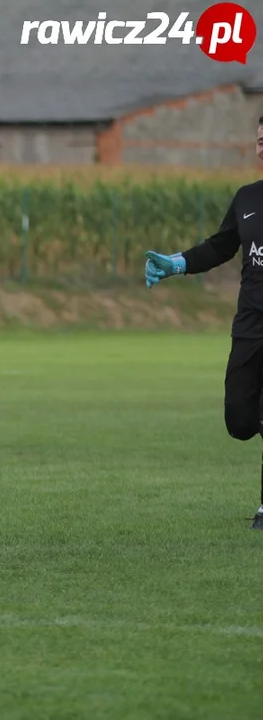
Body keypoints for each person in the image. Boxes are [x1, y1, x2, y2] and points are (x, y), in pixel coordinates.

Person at [143, 116, 263, 529]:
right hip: (250, 324)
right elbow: (221, 246)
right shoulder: (247, 198)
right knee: (240, 420)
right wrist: (177, 264)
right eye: (260, 141)